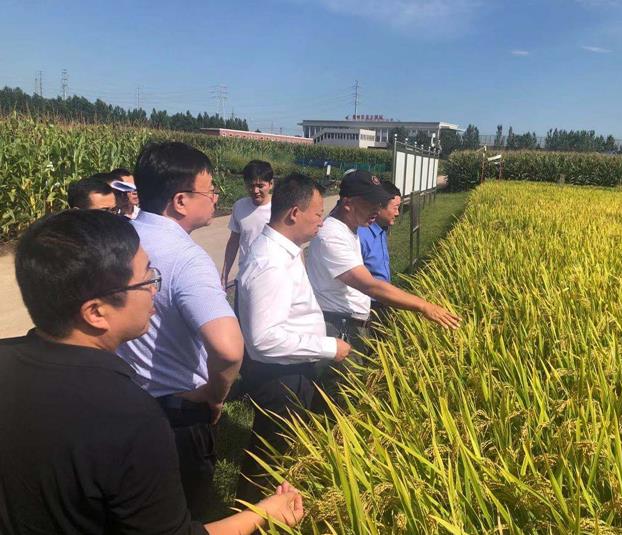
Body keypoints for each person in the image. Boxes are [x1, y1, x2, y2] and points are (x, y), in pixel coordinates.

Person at [0, 210, 303, 534]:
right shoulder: (132, 417)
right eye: (147, 280)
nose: (155, 289)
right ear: (96, 312)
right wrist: (265, 513)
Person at [116, 141, 244, 521]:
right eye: (210, 191)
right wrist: (214, 395)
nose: (216, 198)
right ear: (181, 201)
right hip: (178, 415)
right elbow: (229, 348)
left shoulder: (118, 239)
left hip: (121, 403)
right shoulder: (187, 259)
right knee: (185, 515)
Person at [236, 173, 351, 502]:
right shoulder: (270, 263)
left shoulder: (285, 251)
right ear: (294, 214)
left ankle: (272, 508)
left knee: (282, 452)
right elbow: (264, 339)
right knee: (269, 457)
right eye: (317, 214)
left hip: (291, 370)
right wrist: (328, 346)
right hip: (279, 378)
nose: (321, 222)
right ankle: (251, 514)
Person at [306, 170, 461, 358]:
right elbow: (370, 286)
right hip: (340, 327)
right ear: (348, 203)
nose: (377, 209)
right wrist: (424, 306)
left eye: (379, 203)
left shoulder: (349, 229)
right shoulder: (332, 237)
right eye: (371, 203)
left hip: (351, 324)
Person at [221, 160, 274, 288]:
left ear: (271, 184)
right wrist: (224, 274)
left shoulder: (279, 208)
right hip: (244, 278)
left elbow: (294, 244)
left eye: (260, 186)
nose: (255, 190)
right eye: (251, 185)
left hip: (271, 279)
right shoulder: (239, 206)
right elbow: (234, 241)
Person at [357, 181, 401, 284]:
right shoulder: (361, 236)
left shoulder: (381, 229)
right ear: (379, 207)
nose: (397, 213)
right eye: (395, 208)